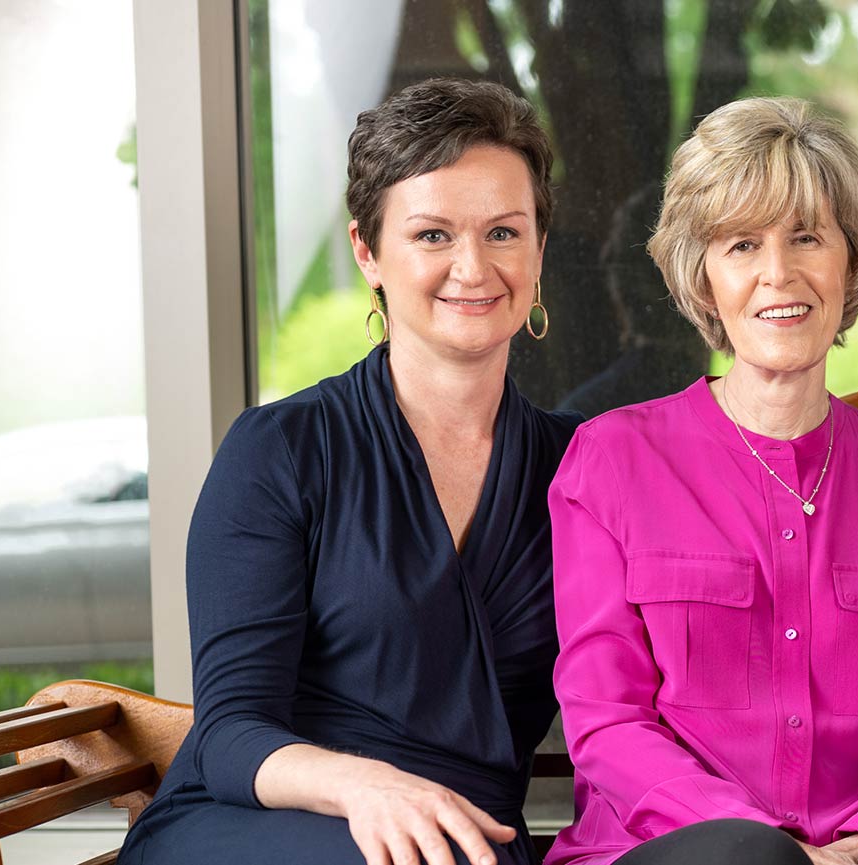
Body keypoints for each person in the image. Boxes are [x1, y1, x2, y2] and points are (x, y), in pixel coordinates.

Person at [121, 78, 580, 865]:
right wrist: (368, 787)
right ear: (368, 251)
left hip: (466, 841)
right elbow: (230, 732)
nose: (473, 267)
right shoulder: (280, 449)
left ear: (539, 250)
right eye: (432, 234)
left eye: (503, 232)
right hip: (261, 824)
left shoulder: (585, 465)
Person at [544, 96, 858, 865]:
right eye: (742, 244)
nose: (779, 273)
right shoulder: (609, 461)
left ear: (851, 260)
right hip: (663, 851)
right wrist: (770, 850)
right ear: (704, 276)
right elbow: (606, 720)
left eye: (807, 237)